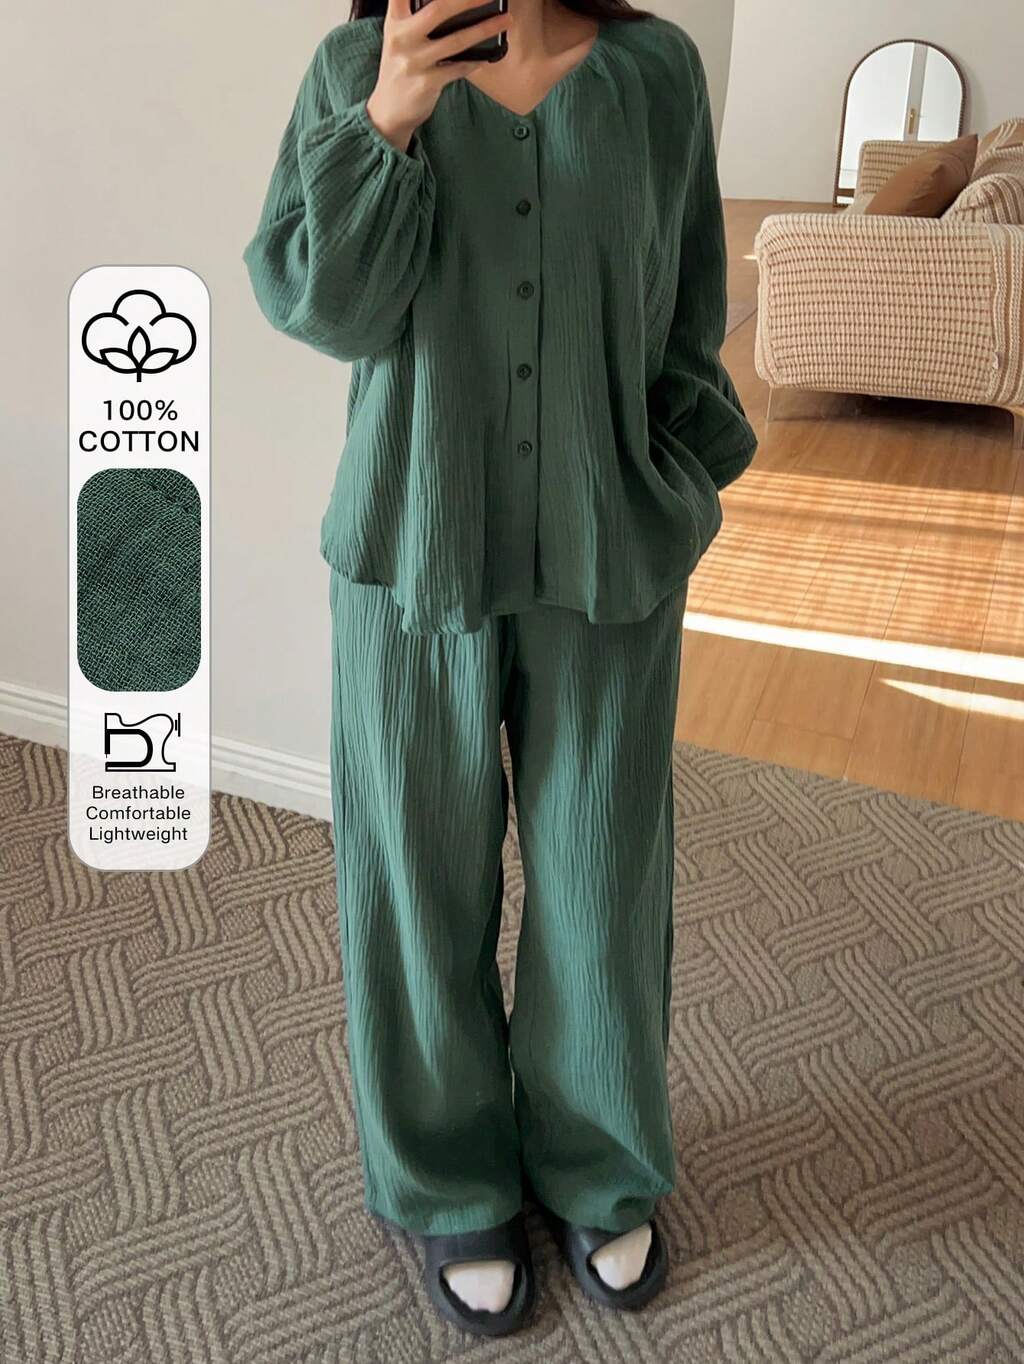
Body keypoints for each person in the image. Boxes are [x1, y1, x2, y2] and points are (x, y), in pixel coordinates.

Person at [242, 0, 756, 1337]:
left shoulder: (654, 74)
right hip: (412, 545)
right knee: (417, 877)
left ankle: (597, 1160)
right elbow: (324, 306)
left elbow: (688, 309)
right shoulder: (356, 70)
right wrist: (391, 120)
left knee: (603, 877)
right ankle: (445, 1174)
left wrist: (678, 488)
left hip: (609, 555)